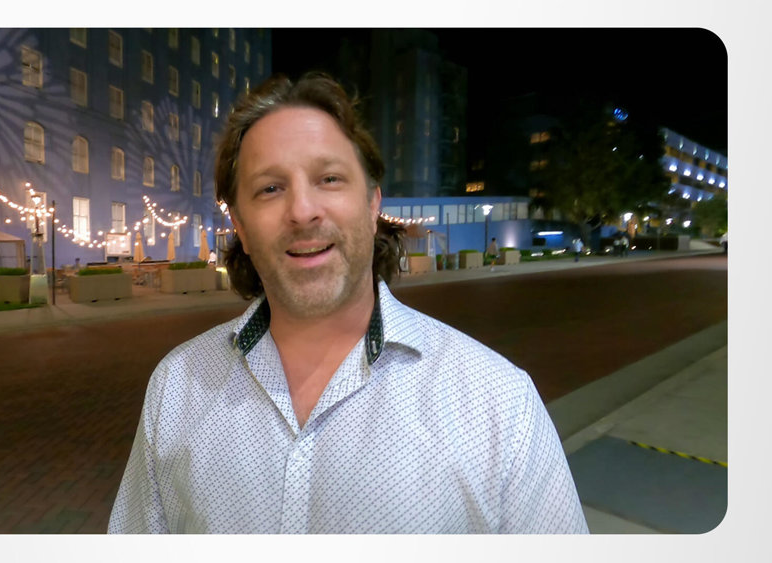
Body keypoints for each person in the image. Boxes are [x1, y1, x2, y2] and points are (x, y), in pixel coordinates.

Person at [108, 73, 588, 534]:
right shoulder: (176, 390)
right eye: (270, 188)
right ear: (241, 226)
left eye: (330, 178)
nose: (302, 211)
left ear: (373, 204)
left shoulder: (498, 405)